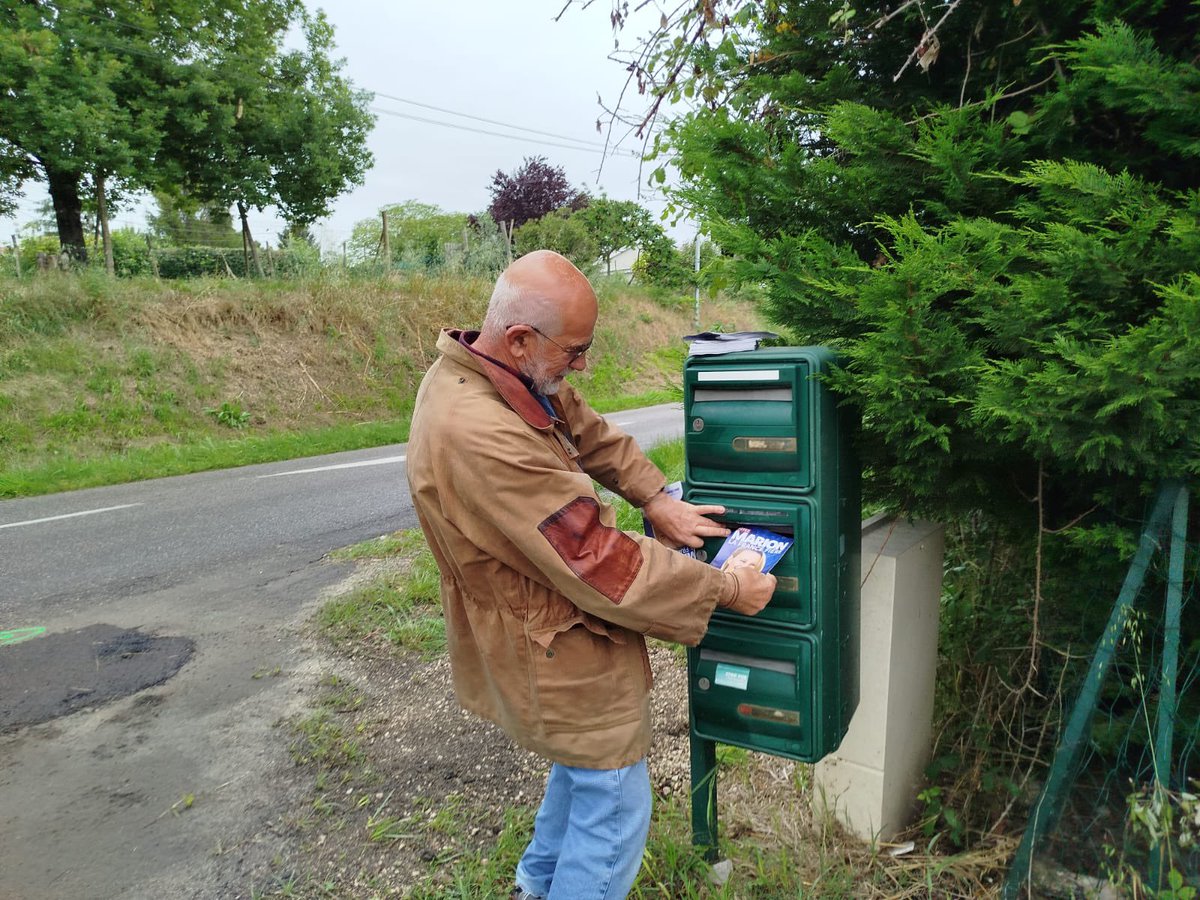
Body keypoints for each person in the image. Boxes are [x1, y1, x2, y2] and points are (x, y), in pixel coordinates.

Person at [406, 249, 776, 900]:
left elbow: (583, 425)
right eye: (574, 350)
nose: (583, 364)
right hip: (553, 643)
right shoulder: (481, 431)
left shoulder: (494, 374)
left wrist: (654, 495)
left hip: (546, 631)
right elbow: (603, 560)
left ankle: (533, 886)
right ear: (520, 339)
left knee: (581, 772)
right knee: (612, 804)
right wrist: (729, 587)